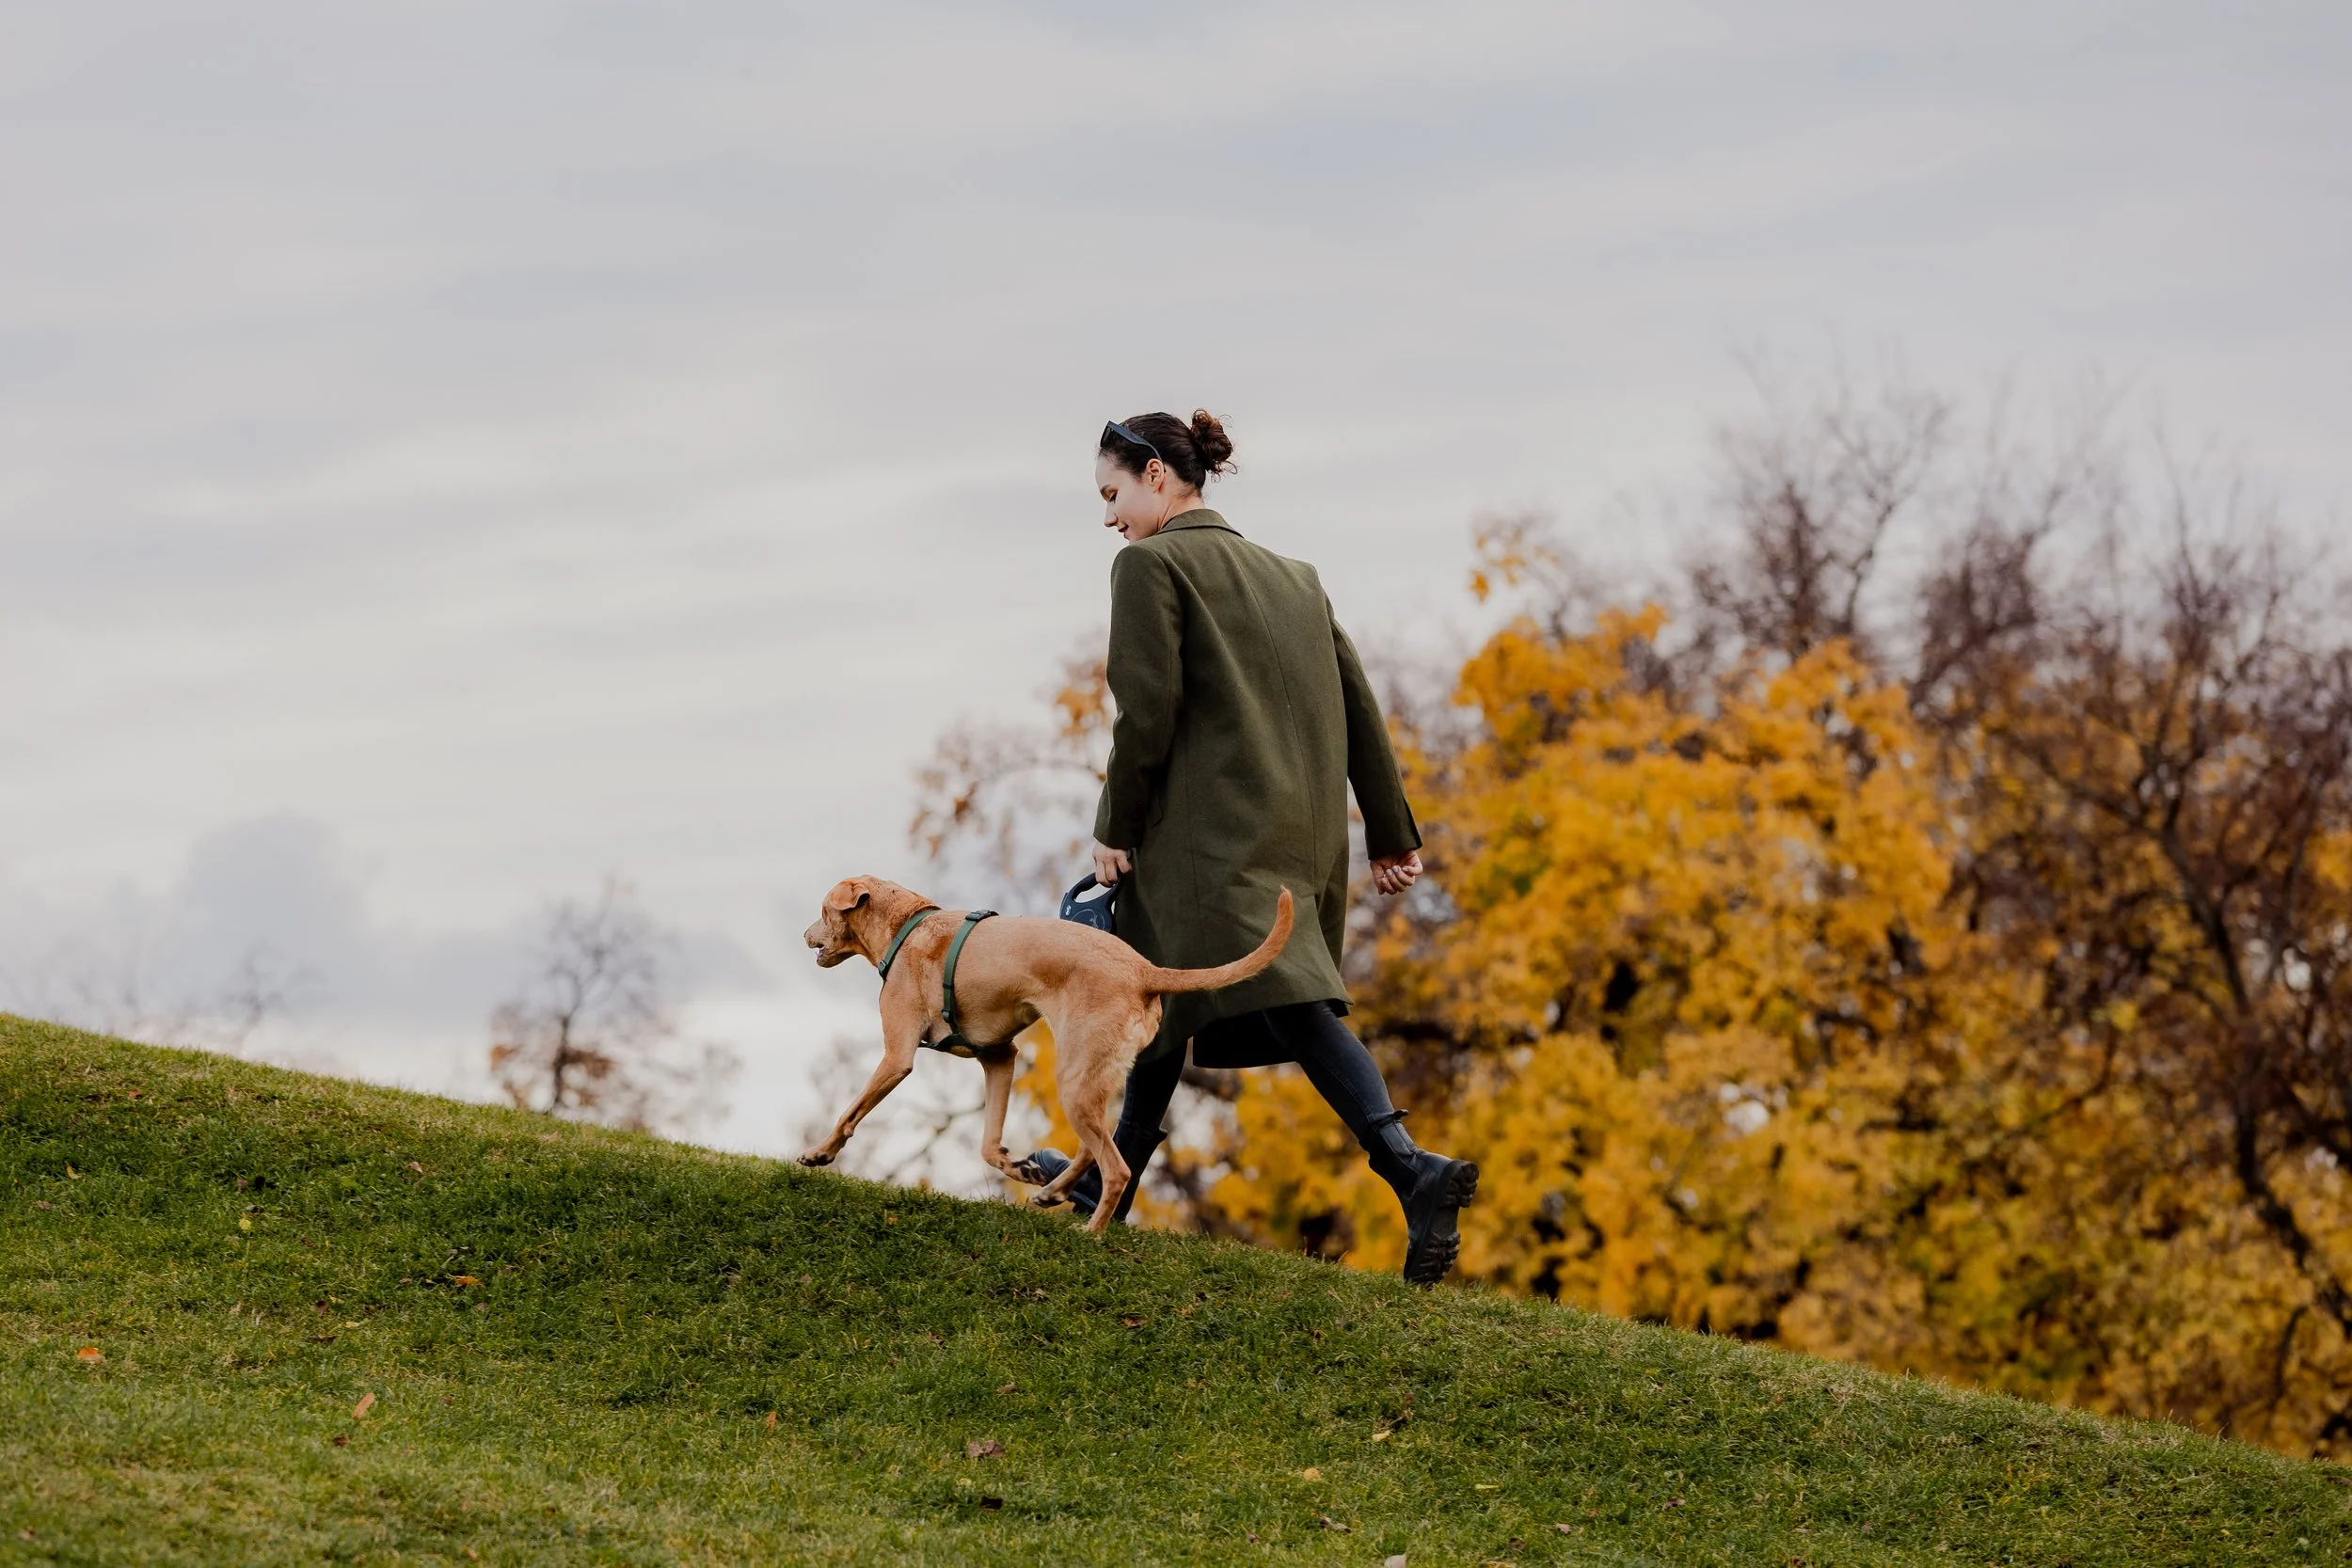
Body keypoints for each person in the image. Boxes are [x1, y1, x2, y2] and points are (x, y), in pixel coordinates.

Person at [1018, 408, 1478, 1285]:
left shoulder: (1147, 565)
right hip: (1298, 836)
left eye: (1113, 493)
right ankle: (1100, 1187)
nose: (1109, 517)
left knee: (1274, 998)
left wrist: (1115, 824)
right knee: (1163, 993)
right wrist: (1389, 831)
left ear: (1157, 475)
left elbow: (1146, 712)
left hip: (1204, 836)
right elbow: (1357, 700)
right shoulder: (1294, 575)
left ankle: (1413, 1170)